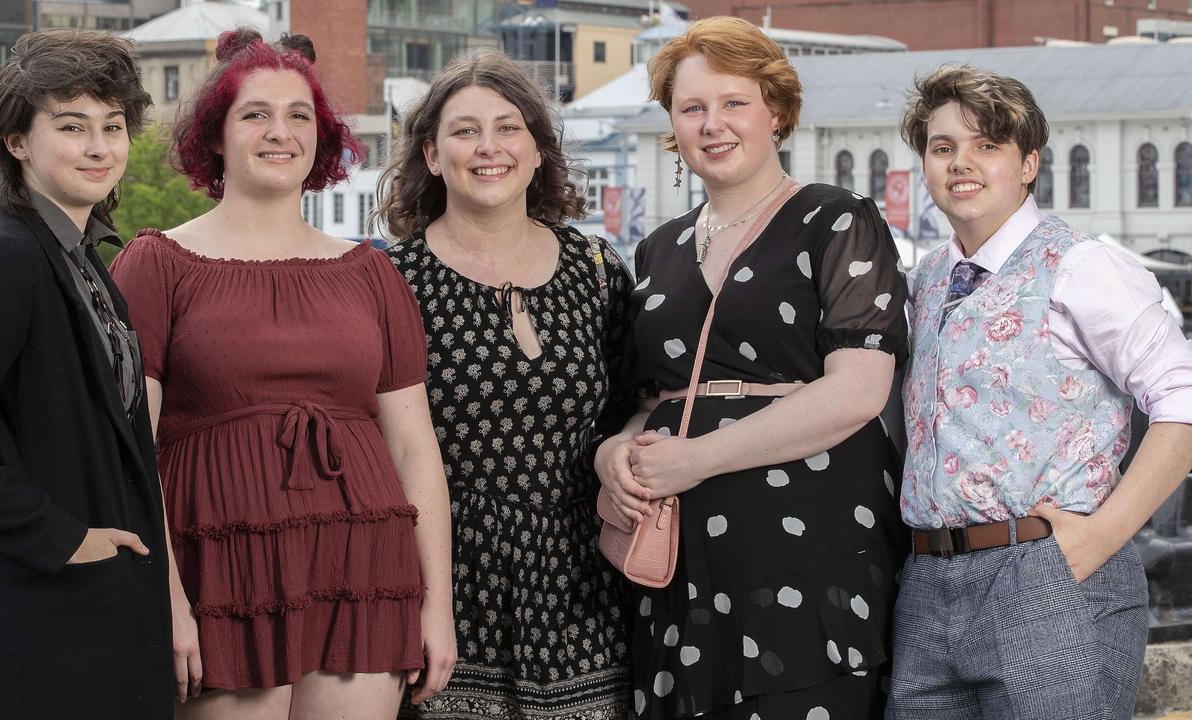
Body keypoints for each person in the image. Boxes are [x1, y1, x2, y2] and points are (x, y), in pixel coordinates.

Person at [110, 29, 454, 719]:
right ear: (215, 136)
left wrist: (436, 605)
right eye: (255, 114)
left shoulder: (371, 272)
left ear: (320, 137)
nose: (281, 132)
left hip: (362, 567)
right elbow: (128, 453)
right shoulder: (156, 264)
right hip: (221, 571)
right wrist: (164, 597)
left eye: (299, 115)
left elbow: (416, 451)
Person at [595, 17, 909, 719]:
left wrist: (696, 459)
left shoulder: (837, 219)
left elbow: (859, 389)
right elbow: (649, 399)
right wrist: (615, 454)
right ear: (673, 126)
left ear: (776, 109)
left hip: (809, 544)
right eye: (692, 108)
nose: (713, 124)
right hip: (680, 563)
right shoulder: (659, 248)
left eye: (734, 102)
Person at [888, 65, 1192, 720]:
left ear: (1028, 164)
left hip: (1048, 571)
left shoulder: (1081, 266)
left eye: (986, 145)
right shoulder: (928, 278)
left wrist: (1103, 536)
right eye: (943, 148)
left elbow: (1183, 401)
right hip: (927, 585)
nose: (961, 163)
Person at [0, 29, 171, 719]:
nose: (98, 146)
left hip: (81, 620)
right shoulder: (4, 258)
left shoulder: (84, 265)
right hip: (21, 621)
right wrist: (64, 541)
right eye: (72, 126)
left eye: (112, 126)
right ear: (18, 142)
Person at [376, 49, 636, 719]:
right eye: (464, 131)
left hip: (586, 588)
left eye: (508, 126)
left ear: (539, 148)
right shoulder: (390, 282)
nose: (488, 147)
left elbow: (637, 405)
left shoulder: (596, 268)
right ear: (432, 155)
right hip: (447, 588)